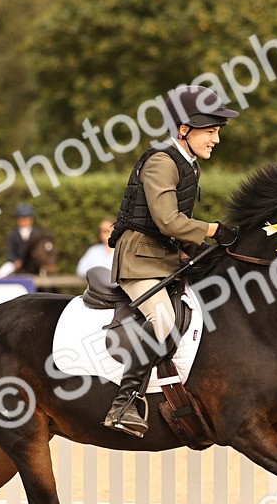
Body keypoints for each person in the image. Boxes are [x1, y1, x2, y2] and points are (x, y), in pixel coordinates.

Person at [103, 85, 240, 437]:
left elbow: (174, 229)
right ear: (184, 130)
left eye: (217, 132)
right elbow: (167, 220)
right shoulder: (162, 162)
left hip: (164, 258)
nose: (216, 140)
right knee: (162, 317)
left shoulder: (189, 164)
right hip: (138, 261)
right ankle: (125, 402)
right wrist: (212, 229)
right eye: (210, 132)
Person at [5, 203, 57, 276]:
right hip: (17, 264)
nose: (24, 221)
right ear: (18, 220)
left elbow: (42, 250)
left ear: (31, 219)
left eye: (27, 218)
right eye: (22, 219)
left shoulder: (38, 234)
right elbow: (10, 251)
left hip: (35, 263)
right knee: (2, 273)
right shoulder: (13, 234)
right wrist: (15, 260)